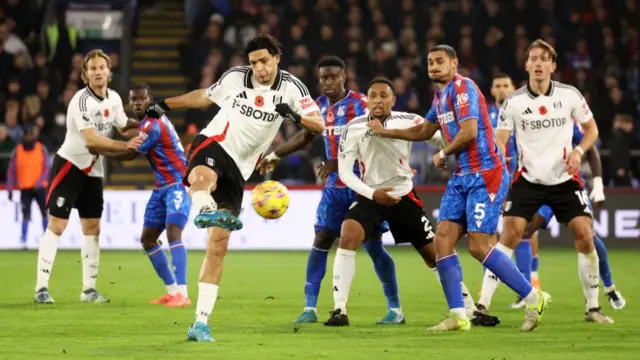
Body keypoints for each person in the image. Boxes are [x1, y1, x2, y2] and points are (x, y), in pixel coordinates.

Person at [144, 34, 325, 342]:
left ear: (276, 58)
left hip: (241, 169)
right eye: (254, 62)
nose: (260, 68)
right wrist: (165, 104)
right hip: (215, 142)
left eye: (264, 61)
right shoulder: (235, 77)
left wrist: (292, 115)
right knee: (201, 178)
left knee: (218, 247)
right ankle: (204, 210)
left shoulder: (293, 88)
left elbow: (318, 125)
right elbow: (205, 96)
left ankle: (200, 323)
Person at [368, 45, 549, 332]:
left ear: (454, 64)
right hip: (463, 176)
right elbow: (424, 131)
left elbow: (469, 132)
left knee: (478, 246)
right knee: (442, 241)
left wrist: (443, 153)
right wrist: (386, 131)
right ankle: (459, 315)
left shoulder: (463, 88)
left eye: (440, 61)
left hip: (486, 172)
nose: (433, 66)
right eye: (429, 62)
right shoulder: (440, 97)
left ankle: (533, 297)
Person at [325, 77, 500, 327]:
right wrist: (372, 194)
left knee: (435, 255)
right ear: (367, 100)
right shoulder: (353, 127)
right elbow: (344, 172)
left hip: (403, 196)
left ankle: (472, 311)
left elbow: (440, 139)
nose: (378, 100)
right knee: (348, 234)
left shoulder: (411, 120)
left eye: (384, 95)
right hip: (371, 195)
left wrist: (453, 150)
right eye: (373, 95)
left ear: (393, 100)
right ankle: (339, 309)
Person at [258, 56, 404, 325]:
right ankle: (310, 308)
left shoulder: (362, 104)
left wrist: (338, 160)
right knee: (321, 239)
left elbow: (378, 137)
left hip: (363, 186)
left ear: (343, 77)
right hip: (335, 189)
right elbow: (305, 136)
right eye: (323, 77)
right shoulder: (318, 107)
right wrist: (275, 155)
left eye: (332, 77)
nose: (327, 82)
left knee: (372, 246)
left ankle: (395, 309)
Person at [495, 39, 612, 323]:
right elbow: (500, 143)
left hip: (564, 180)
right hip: (528, 180)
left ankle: (593, 308)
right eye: (533, 58)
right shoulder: (513, 102)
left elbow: (592, 130)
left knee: (585, 235)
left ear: (553, 65)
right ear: (526, 65)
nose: (538, 63)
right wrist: (500, 179)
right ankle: (490, 304)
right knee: (508, 238)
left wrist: (578, 150)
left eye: (543, 59)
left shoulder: (570, 95)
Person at [480, 119, 627, 311]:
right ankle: (522, 288)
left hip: (565, 187)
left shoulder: (565, 116)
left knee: (587, 236)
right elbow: (519, 160)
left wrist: (598, 186)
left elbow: (590, 147)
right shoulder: (520, 117)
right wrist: (508, 195)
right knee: (521, 232)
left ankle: (609, 288)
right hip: (535, 188)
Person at [34, 50, 142, 304]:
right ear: (85, 75)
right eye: (92, 68)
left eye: (101, 67)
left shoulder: (114, 98)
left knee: (92, 228)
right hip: (70, 166)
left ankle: (89, 290)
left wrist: (151, 125)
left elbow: (124, 125)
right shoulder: (81, 101)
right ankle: (41, 287)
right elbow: (92, 140)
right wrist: (127, 147)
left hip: (93, 171)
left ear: (109, 72)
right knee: (57, 225)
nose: (97, 72)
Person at [107, 83, 192, 307]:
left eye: (141, 99)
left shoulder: (153, 125)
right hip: (161, 188)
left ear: (150, 99)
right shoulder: (148, 122)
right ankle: (173, 291)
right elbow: (132, 130)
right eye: (133, 99)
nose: (137, 103)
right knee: (148, 240)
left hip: (177, 184)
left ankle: (183, 294)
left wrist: (98, 148)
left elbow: (128, 155)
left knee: (174, 232)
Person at [7, 125, 50, 250]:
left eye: (30, 135)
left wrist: (39, 183)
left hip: (40, 188)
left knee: (44, 214)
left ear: (33, 136)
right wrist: (10, 188)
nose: (28, 138)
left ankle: (47, 242)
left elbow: (46, 168)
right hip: (25, 188)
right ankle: (24, 242)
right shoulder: (18, 150)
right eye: (26, 135)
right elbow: (11, 170)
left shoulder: (41, 149)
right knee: (25, 215)